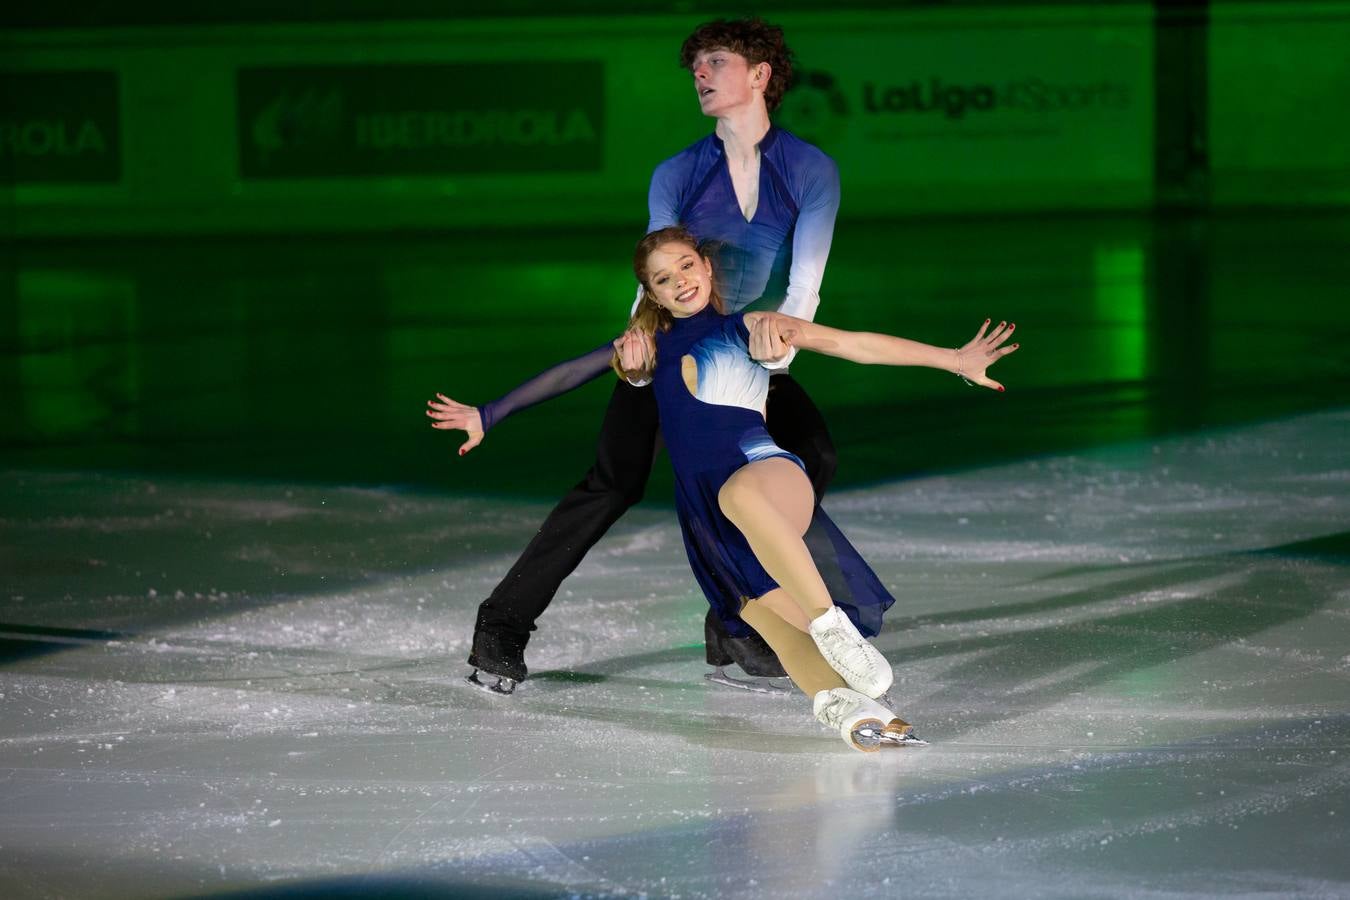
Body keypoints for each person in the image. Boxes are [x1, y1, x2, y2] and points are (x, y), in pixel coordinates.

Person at [442, 226, 1019, 750]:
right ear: (653, 295)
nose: (680, 281)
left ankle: (832, 624)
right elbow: (570, 371)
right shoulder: (646, 350)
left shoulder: (748, 327)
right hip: (706, 518)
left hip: (765, 473)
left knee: (743, 502)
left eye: (687, 266)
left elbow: (852, 343)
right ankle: (849, 713)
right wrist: (490, 413)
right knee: (772, 623)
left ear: (708, 269)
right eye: (664, 279)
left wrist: (953, 360)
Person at [430, 18, 843, 695]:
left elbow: (805, 284)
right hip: (668, 349)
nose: (700, 76)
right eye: (695, 68)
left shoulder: (809, 169)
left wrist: (773, 363)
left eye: (715, 62)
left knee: (812, 454)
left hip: (748, 353)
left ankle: (734, 619)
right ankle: (501, 625)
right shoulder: (678, 172)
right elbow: (655, 273)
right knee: (614, 483)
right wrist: (639, 349)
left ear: (761, 74)